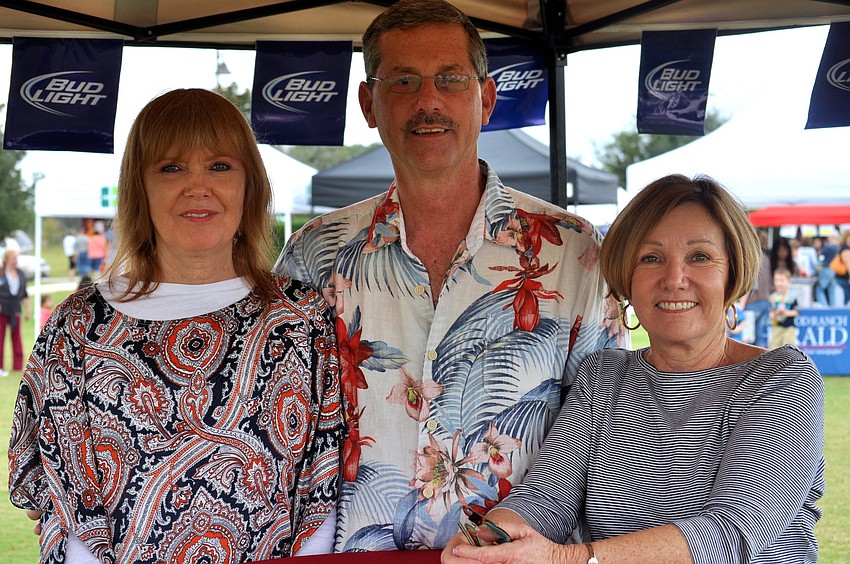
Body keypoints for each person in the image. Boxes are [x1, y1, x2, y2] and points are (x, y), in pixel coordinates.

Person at [274, 0, 626, 552]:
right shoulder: (315, 253)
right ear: (369, 103)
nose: (428, 101)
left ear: (485, 99)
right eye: (403, 81)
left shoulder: (577, 254)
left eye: (450, 79)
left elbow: (607, 436)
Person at [8, 88, 344, 563]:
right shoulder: (79, 327)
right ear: (139, 187)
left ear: (250, 183)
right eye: (171, 167)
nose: (197, 186)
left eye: (220, 165)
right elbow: (66, 509)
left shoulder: (301, 320)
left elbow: (318, 497)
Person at [442, 174, 825, 564]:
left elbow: (733, 531)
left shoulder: (784, 376)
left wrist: (569, 558)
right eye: (651, 258)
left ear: (732, 273)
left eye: (699, 257)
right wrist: (496, 535)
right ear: (628, 279)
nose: (674, 279)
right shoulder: (603, 375)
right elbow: (547, 497)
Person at [0, 248, 31, 377]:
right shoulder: (1, 272)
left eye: (16, 258)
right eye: (13, 258)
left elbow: (24, 293)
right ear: (6, 259)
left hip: (15, 308)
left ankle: (18, 366)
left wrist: (28, 309)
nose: (15, 261)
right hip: (2, 308)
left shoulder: (21, 273)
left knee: (17, 338)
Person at [769, 267, 799, 348]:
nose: (779, 283)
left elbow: (796, 311)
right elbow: (771, 314)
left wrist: (785, 312)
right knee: (773, 348)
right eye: (776, 280)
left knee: (789, 347)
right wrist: (776, 314)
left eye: (782, 280)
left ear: (789, 281)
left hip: (789, 327)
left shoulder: (792, 296)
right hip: (777, 326)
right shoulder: (773, 297)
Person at [834, 228, 850, 304]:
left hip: (842, 277)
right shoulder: (846, 249)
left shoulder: (843, 247)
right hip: (844, 277)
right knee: (847, 296)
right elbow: (848, 264)